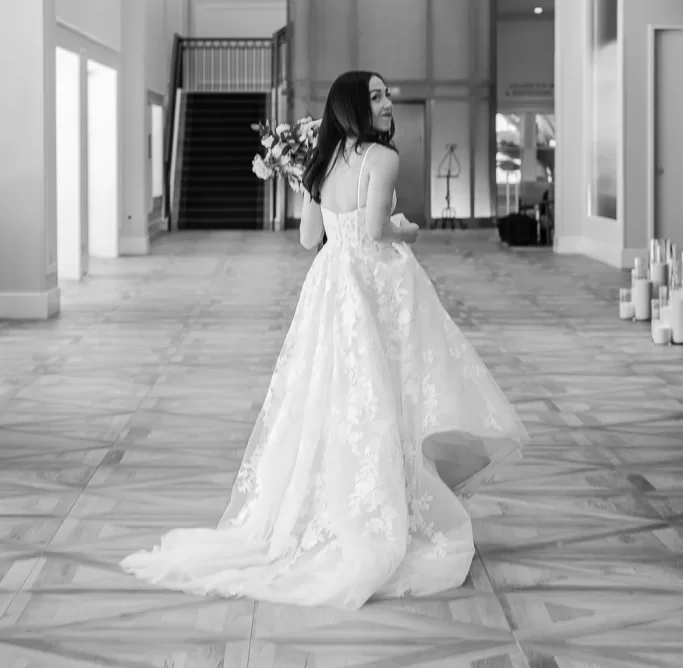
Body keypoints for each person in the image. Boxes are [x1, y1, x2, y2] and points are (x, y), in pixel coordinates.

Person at [121, 70, 529, 609]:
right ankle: (386, 508)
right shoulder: (382, 159)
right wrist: (409, 228)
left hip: (332, 285)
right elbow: (381, 232)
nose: (388, 103)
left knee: (335, 396)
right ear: (354, 107)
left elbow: (309, 238)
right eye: (377, 96)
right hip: (377, 283)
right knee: (392, 390)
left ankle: (332, 507)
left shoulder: (321, 162)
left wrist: (337, 211)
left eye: (387, 95)